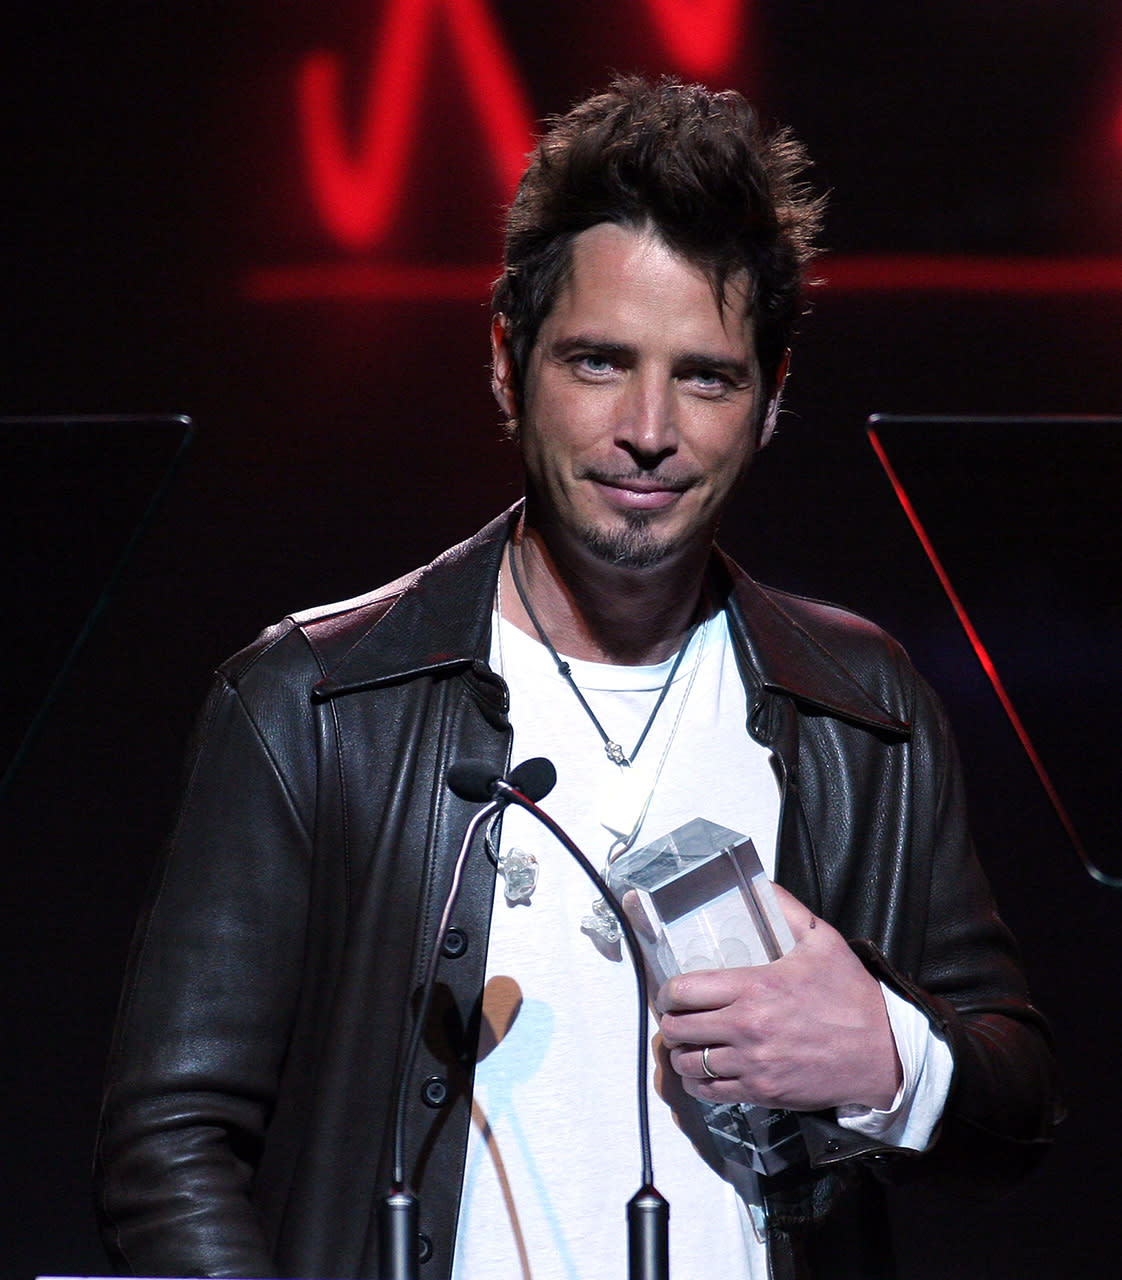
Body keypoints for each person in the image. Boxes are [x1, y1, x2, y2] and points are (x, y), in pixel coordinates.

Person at [94, 77, 1058, 1280]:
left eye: (705, 375)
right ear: (507, 361)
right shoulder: (311, 702)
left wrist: (891, 1060)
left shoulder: (862, 705)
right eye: (599, 362)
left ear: (771, 399)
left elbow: (1019, 1105)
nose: (648, 426)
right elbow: (169, 1139)